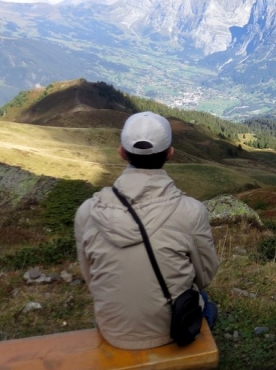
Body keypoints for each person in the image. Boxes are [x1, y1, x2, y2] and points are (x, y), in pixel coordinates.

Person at [75, 111, 219, 350]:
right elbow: (205, 276)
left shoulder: (87, 212)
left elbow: (90, 277)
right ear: (170, 153)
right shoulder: (191, 211)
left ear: (122, 152)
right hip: (172, 330)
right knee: (206, 304)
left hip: (113, 331)